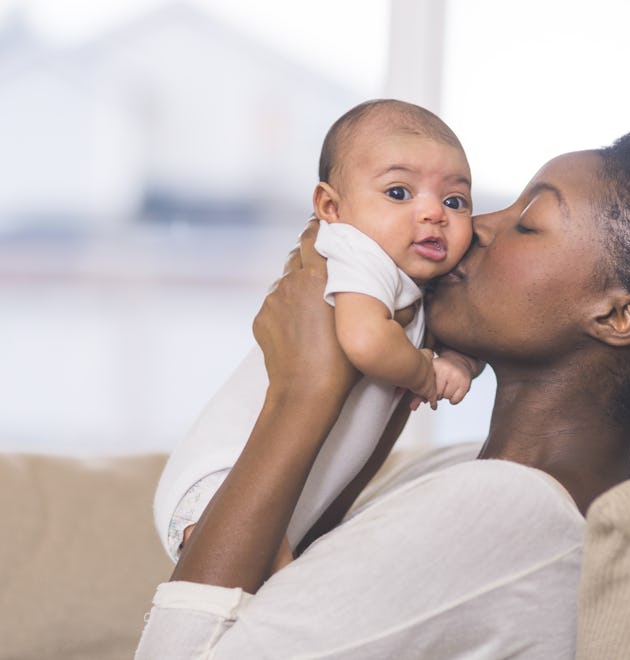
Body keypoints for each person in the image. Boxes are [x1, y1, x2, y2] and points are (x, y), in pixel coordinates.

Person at [136, 122, 630, 659]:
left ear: (616, 315)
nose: (474, 225)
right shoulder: (476, 474)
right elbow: (294, 601)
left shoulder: (508, 508)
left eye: (528, 222)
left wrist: (301, 392)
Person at [153, 100, 482, 562]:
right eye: (398, 193)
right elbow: (367, 341)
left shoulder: (413, 283)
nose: (433, 213)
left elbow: (469, 338)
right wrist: (428, 374)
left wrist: (461, 362)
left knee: (273, 603)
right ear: (331, 207)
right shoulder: (355, 251)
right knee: (270, 607)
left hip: (289, 492)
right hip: (222, 478)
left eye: (454, 201)